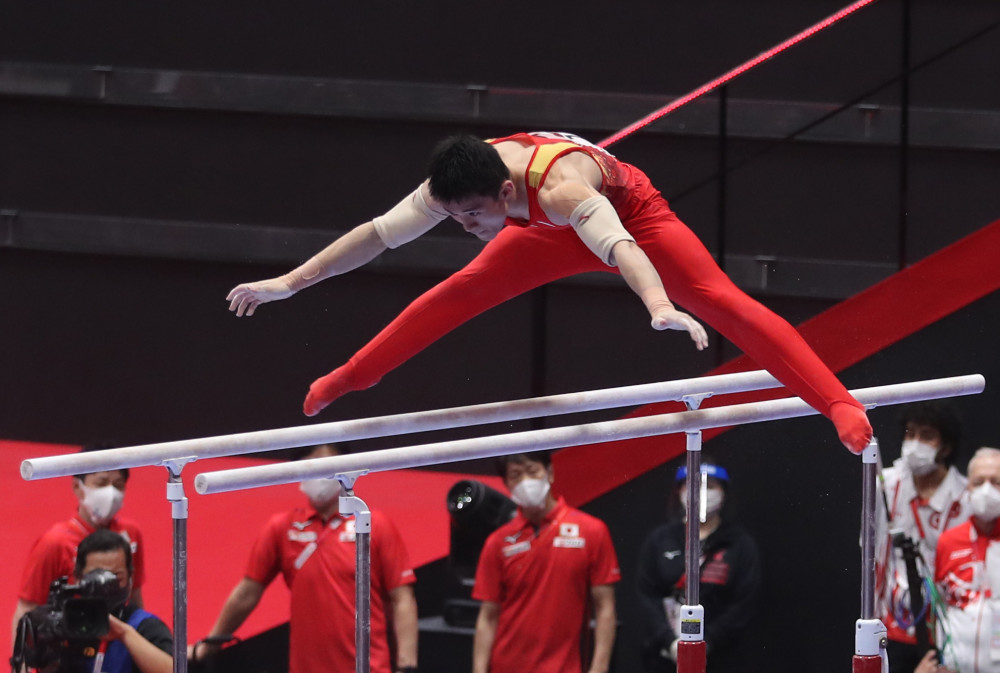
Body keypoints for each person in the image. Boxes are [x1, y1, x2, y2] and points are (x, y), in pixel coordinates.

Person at [224, 131, 872, 454]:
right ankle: (351, 378)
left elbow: (621, 248)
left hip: (628, 217)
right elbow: (375, 236)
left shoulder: (563, 187)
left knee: (724, 301)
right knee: (459, 290)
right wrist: (288, 283)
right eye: (455, 218)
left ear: (504, 192)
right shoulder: (452, 185)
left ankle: (836, 402)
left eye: (474, 215)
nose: (467, 227)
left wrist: (659, 307)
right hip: (539, 232)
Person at [193, 443, 417, 673]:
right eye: (310, 469)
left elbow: (402, 598)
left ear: (346, 470)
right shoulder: (282, 528)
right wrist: (210, 644)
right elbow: (247, 592)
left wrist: (407, 666)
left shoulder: (373, 525)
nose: (318, 477)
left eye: (324, 467)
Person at [471, 450, 619, 673]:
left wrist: (599, 667)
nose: (526, 481)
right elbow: (488, 616)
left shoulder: (592, 531)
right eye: (516, 475)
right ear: (506, 484)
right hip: (506, 665)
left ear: (549, 473)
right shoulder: (497, 542)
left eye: (532, 471)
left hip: (565, 667)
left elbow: (605, 607)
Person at [12, 444, 146, 647]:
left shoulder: (131, 534)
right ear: (77, 487)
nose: (111, 492)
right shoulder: (54, 543)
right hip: (69, 643)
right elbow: (27, 608)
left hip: (116, 641)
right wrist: (21, 664)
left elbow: (134, 597)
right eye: (101, 484)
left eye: (118, 485)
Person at [636, 459, 761, 673]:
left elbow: (743, 603)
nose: (702, 493)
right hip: (664, 656)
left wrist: (706, 643)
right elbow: (647, 595)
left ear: (723, 493)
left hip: (720, 658)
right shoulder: (660, 540)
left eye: (710, 486)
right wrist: (671, 643)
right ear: (680, 491)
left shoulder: (739, 544)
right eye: (693, 485)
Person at [874, 402, 969, 673]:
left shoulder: (967, 500)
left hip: (946, 628)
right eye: (910, 433)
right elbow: (870, 553)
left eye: (926, 435)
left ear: (946, 447)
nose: (915, 443)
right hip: (892, 626)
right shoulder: (887, 485)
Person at [25, 529, 172, 673]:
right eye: (96, 578)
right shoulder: (65, 625)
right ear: (78, 577)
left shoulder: (145, 627)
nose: (106, 588)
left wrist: (124, 634)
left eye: (115, 578)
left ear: (130, 578)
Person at [933, 447, 1000, 673]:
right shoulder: (948, 541)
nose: (987, 489)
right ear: (968, 487)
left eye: (996, 481)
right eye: (979, 482)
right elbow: (940, 607)